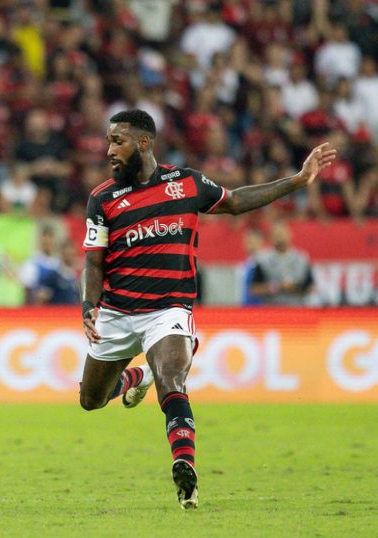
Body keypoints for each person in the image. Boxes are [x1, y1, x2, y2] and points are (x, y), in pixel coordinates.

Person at [79, 109, 335, 509]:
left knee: (172, 379)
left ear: (144, 143)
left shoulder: (185, 183)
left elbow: (235, 201)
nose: (109, 149)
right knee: (91, 400)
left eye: (118, 141)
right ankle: (134, 377)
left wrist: (298, 180)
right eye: (109, 140)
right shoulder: (103, 198)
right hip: (117, 311)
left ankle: (185, 468)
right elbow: (94, 261)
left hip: (168, 309)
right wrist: (88, 306)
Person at [250, 222, 315, 305]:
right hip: (273, 309)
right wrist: (277, 287)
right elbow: (254, 289)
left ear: (290, 235)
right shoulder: (262, 260)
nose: (280, 238)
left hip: (297, 308)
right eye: (277, 235)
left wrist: (295, 287)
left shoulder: (302, 259)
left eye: (283, 234)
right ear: (270, 238)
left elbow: (311, 287)